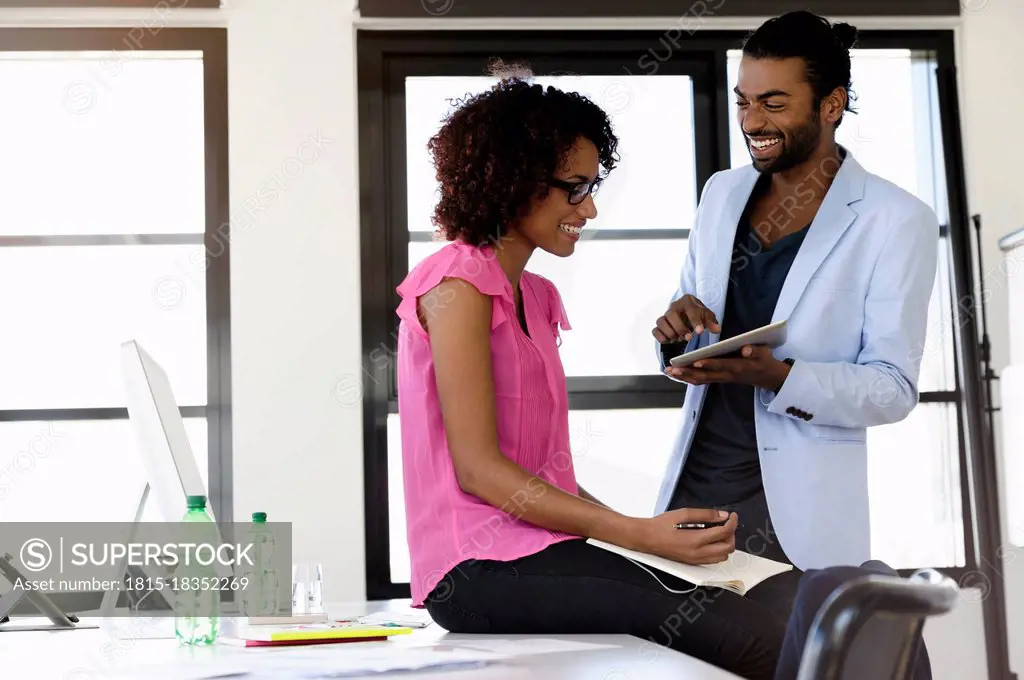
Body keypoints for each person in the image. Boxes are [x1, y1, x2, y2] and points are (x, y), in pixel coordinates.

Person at [395, 62, 791, 680]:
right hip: (473, 570)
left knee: (767, 604)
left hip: (537, 549)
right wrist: (634, 534)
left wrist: (643, 532)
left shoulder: (537, 295)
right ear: (516, 182)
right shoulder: (457, 283)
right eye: (575, 188)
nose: (591, 207)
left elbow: (541, 475)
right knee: (748, 635)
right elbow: (479, 470)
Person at [651, 8, 940, 642]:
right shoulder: (721, 193)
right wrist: (674, 332)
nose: (753, 122)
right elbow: (689, 316)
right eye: (744, 101)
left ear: (832, 104)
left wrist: (779, 377)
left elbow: (892, 387)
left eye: (774, 103)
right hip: (696, 495)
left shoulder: (896, 219)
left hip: (794, 518)